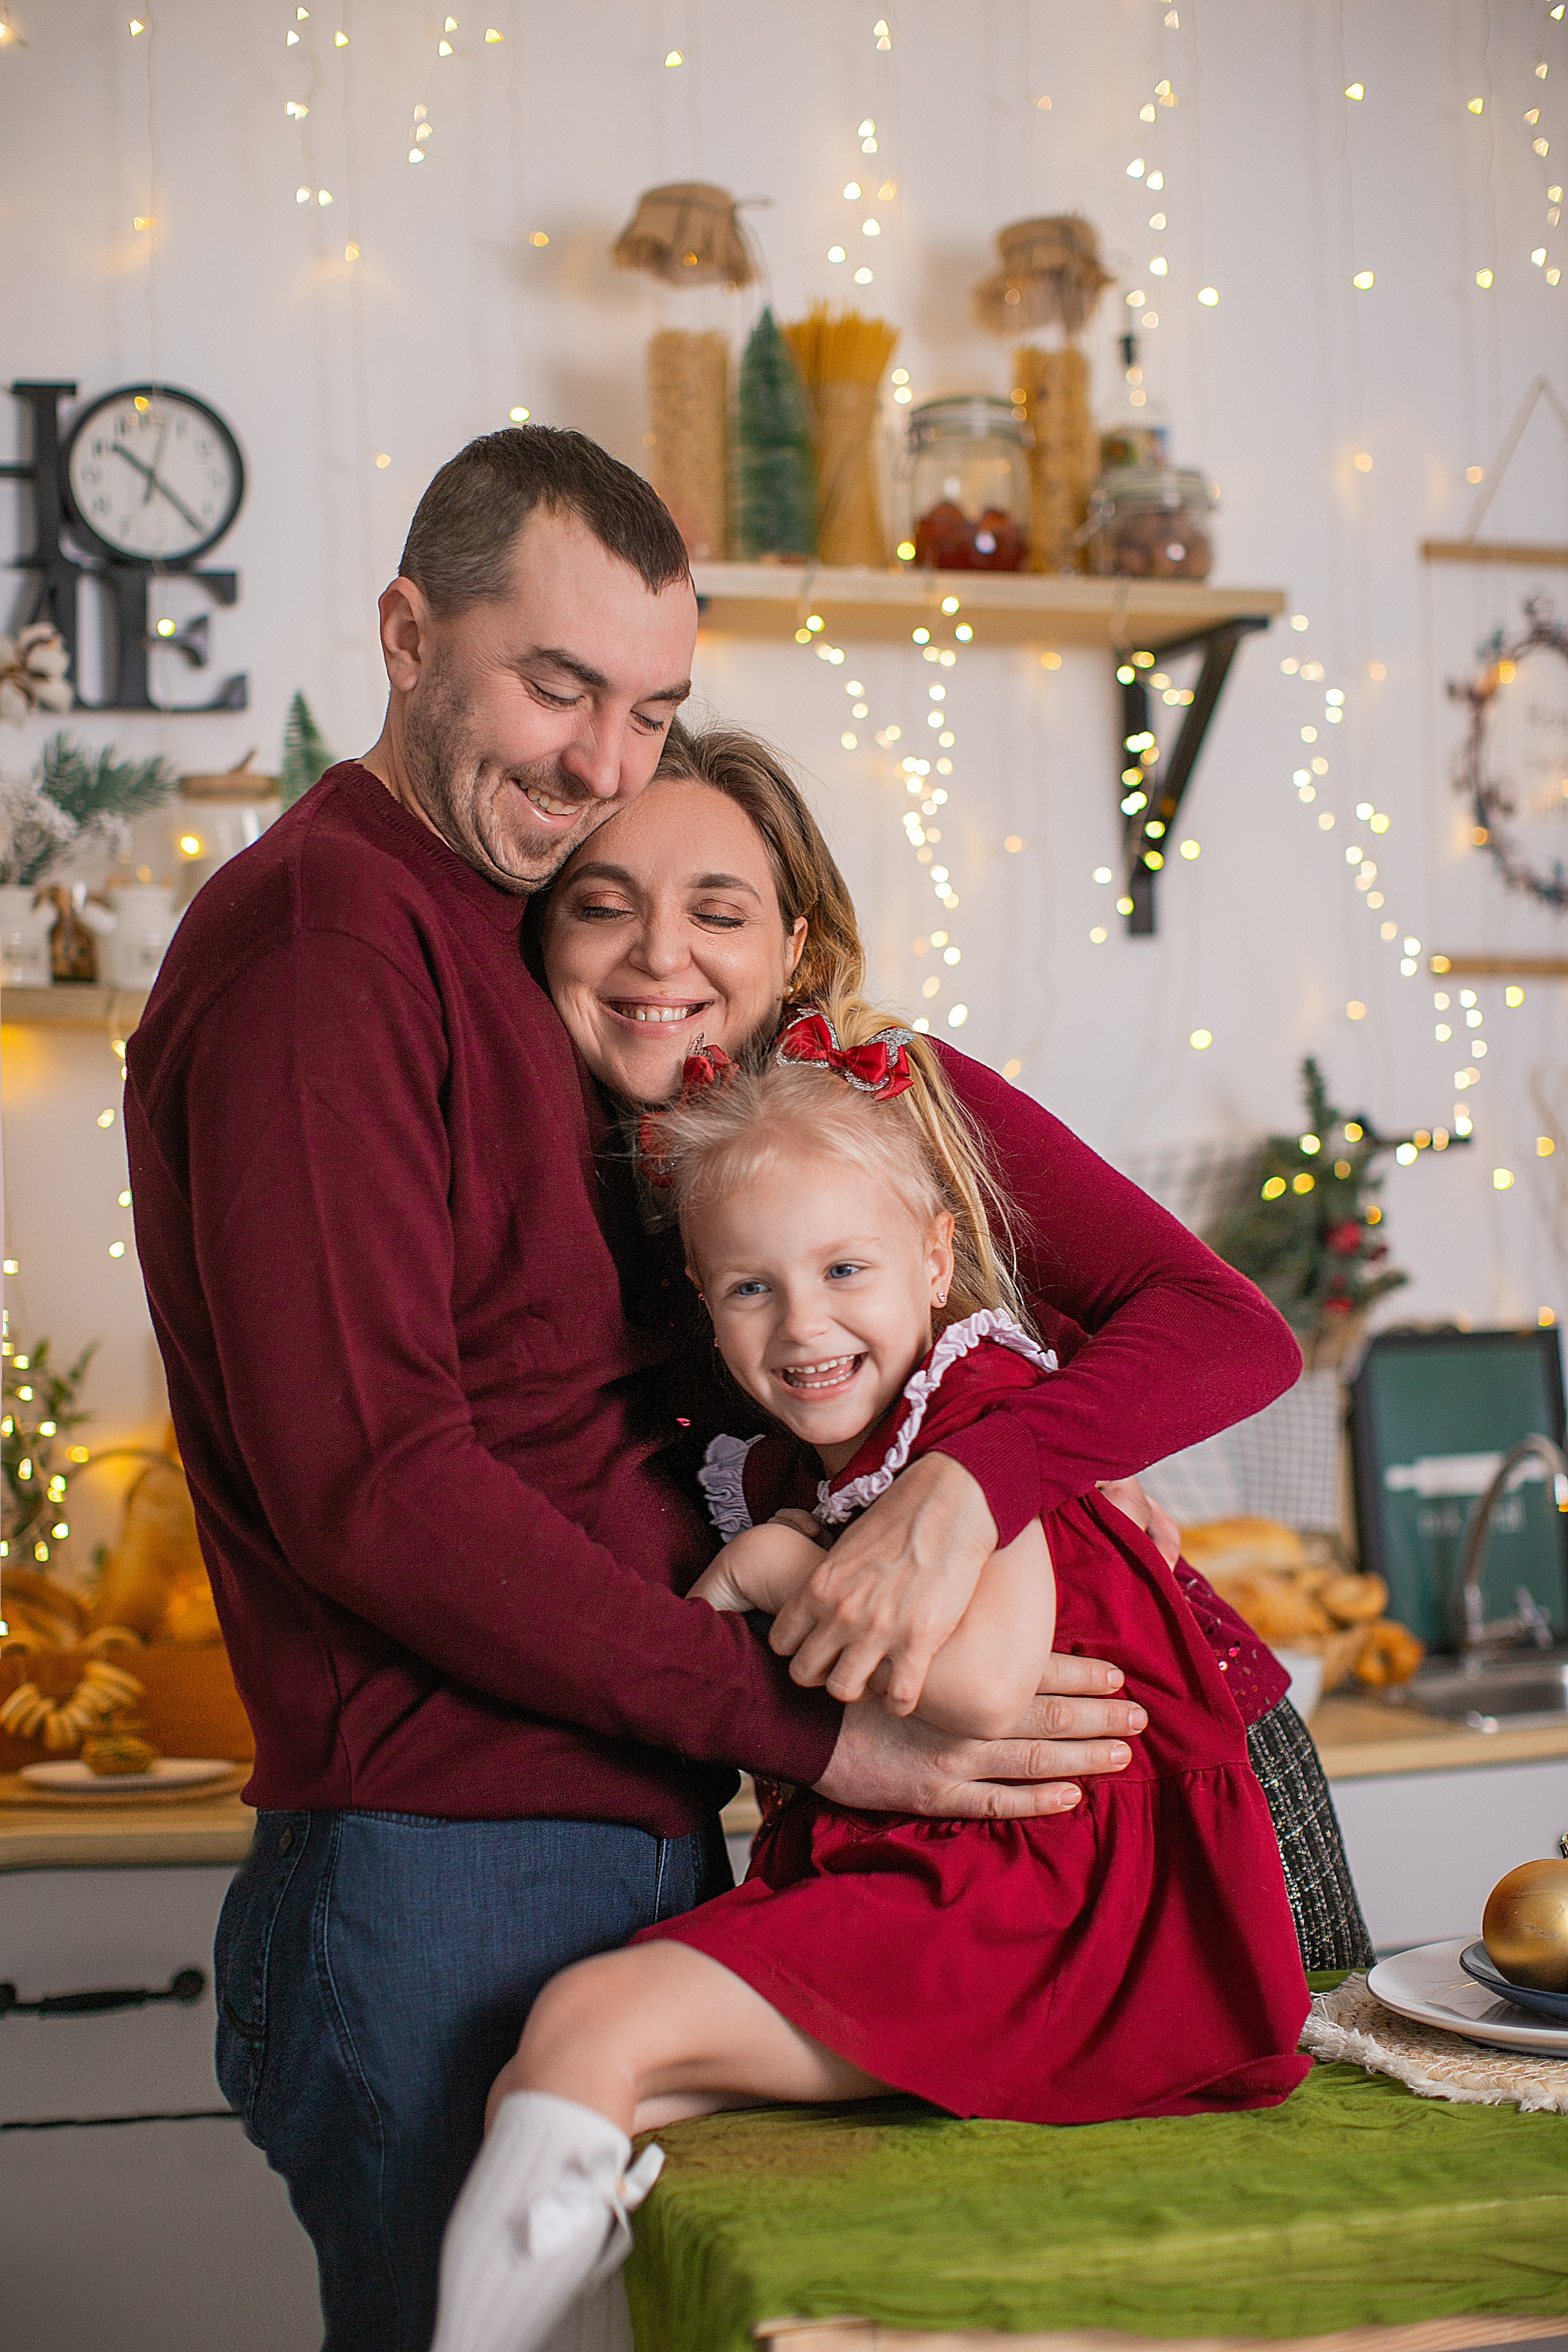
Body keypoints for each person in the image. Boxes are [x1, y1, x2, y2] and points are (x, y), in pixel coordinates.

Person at [123, 427, 1227, 2352]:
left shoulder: (577, 984)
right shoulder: (328, 947)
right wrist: (810, 1724)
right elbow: (375, 1484)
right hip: (439, 1858)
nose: (600, 765)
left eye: (651, 708)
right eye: (557, 687)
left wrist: (989, 1474)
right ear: (406, 633)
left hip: (612, 1830)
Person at [429, 1010, 1312, 2352]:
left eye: (845, 1268)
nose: (803, 1325)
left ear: (936, 1260)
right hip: (958, 1883)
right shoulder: (796, 1463)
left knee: (588, 2024)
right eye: (750, 1289)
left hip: (1054, 1914)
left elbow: (976, 1684)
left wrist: (781, 1570)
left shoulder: (979, 1403)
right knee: (582, 2077)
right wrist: (783, 1538)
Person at [533, 725, 1373, 1977]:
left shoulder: (896, 1094)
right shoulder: (530, 1148)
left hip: (1139, 1769)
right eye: (603, 908)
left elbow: (1226, 1332)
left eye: (719, 911)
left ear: (794, 945)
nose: (663, 954)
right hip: (869, 1803)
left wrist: (978, 1480)